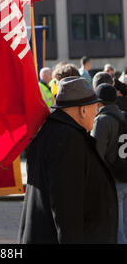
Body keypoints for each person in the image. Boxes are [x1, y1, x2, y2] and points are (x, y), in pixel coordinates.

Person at [18, 76, 118, 244]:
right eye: (95, 106)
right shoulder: (68, 139)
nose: (97, 112)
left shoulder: (52, 131)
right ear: (82, 110)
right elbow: (67, 210)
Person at [91, 83, 127, 244]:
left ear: (99, 102)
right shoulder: (125, 116)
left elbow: (96, 154)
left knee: (117, 227)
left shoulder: (102, 120)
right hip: (126, 174)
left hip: (113, 179)